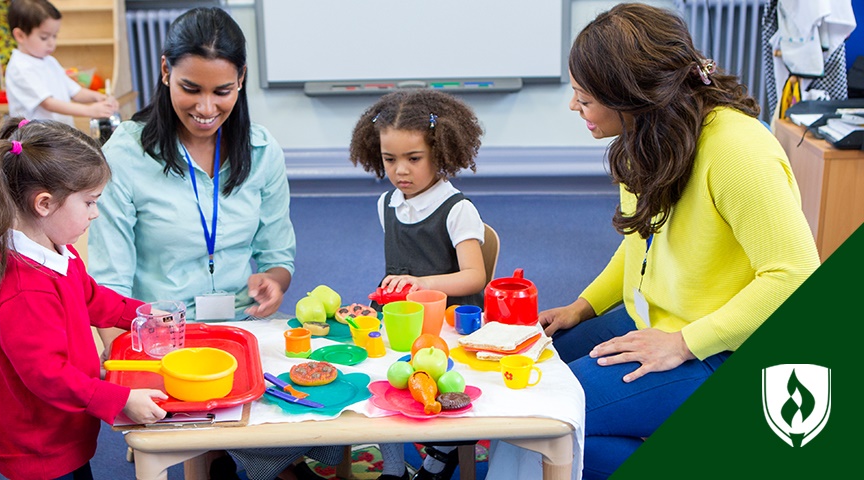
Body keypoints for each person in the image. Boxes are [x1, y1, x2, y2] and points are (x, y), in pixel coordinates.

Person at [523, 3, 820, 479]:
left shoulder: (738, 151)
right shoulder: (647, 133)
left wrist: (684, 342)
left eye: (584, 96)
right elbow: (644, 240)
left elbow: (796, 276)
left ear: (629, 94)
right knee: (531, 371)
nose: (573, 107)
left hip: (723, 347)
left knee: (546, 419)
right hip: (659, 322)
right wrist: (583, 306)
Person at [86, 7, 340, 480]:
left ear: (241, 80)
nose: (206, 109)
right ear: (165, 72)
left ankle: (244, 458)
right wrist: (129, 369)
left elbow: (277, 253)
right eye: (191, 89)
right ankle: (238, 460)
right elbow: (108, 278)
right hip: (162, 339)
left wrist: (275, 281)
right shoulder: (125, 153)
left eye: (221, 91)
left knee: (317, 411)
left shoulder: (262, 151)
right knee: (230, 436)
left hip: (242, 327)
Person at [0, 117, 168, 480]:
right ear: (44, 204)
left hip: (62, 422)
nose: (95, 213)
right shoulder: (25, 289)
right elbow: (47, 375)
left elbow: (93, 299)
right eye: (89, 202)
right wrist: (118, 400)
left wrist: (144, 314)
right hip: (35, 440)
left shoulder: (59, 252)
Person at [349, 88, 487, 480]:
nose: (400, 171)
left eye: (414, 159)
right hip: (399, 324)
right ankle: (393, 470)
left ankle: (437, 458)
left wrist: (419, 282)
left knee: (446, 388)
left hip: (447, 326)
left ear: (440, 154)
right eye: (390, 160)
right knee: (381, 387)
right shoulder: (387, 204)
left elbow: (474, 276)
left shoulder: (457, 209)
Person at [5, 0, 119, 127]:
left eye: (54, 36)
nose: (51, 43)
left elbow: (75, 92)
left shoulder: (49, 61)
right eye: (44, 37)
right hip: (35, 140)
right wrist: (89, 110)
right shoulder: (20, 67)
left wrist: (98, 97)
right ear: (20, 35)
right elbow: (48, 103)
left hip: (57, 134)